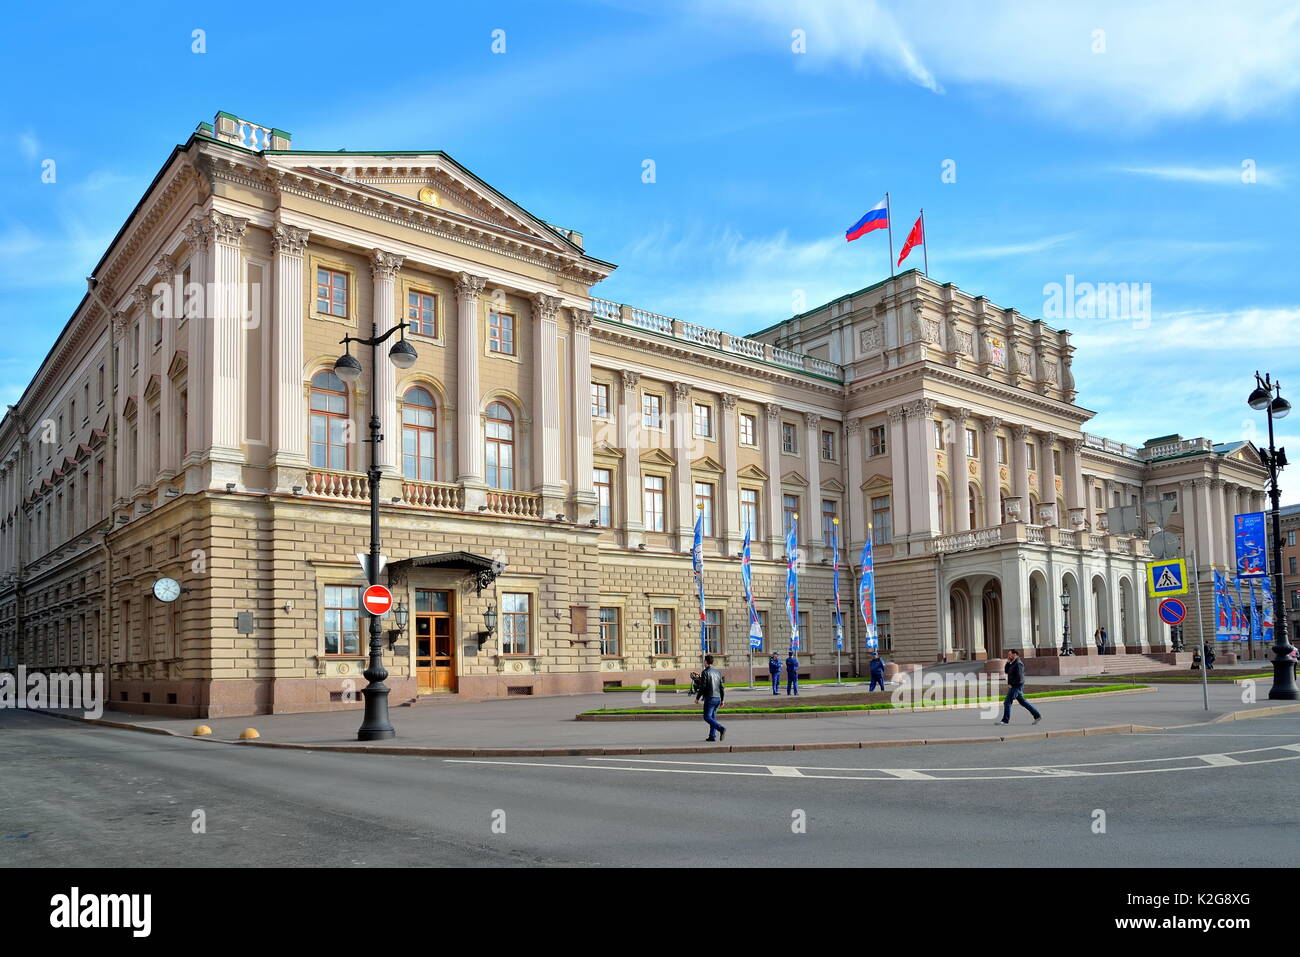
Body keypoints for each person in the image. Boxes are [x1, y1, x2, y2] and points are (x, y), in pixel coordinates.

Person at [999, 648, 1041, 725]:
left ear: (1015, 654)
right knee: (1023, 702)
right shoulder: (1013, 663)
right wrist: (1008, 663)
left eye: (1009, 654)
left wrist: (1012, 684)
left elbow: (1020, 678)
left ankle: (1005, 720)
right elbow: (1006, 671)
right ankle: (1037, 715)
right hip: (1015, 687)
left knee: (1007, 702)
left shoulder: (1018, 664)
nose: (1008, 656)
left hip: (1016, 687)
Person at [695, 654, 726, 742]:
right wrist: (722, 699)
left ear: (706, 662)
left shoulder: (705, 672)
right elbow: (721, 687)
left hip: (710, 698)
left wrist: (697, 698)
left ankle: (721, 728)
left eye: (704, 661)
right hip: (718, 698)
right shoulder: (717, 672)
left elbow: (703, 687)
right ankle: (712, 736)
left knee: (707, 717)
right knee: (713, 717)